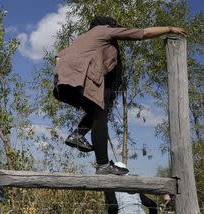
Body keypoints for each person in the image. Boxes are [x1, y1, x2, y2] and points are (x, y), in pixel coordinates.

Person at [53, 16, 186, 175]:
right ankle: (102, 165)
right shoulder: (104, 30)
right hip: (82, 78)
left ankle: (77, 135)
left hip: (63, 82)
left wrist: (68, 74)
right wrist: (169, 28)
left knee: (94, 111)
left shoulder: (82, 38)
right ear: (108, 25)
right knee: (100, 115)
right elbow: (142, 33)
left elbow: (58, 56)